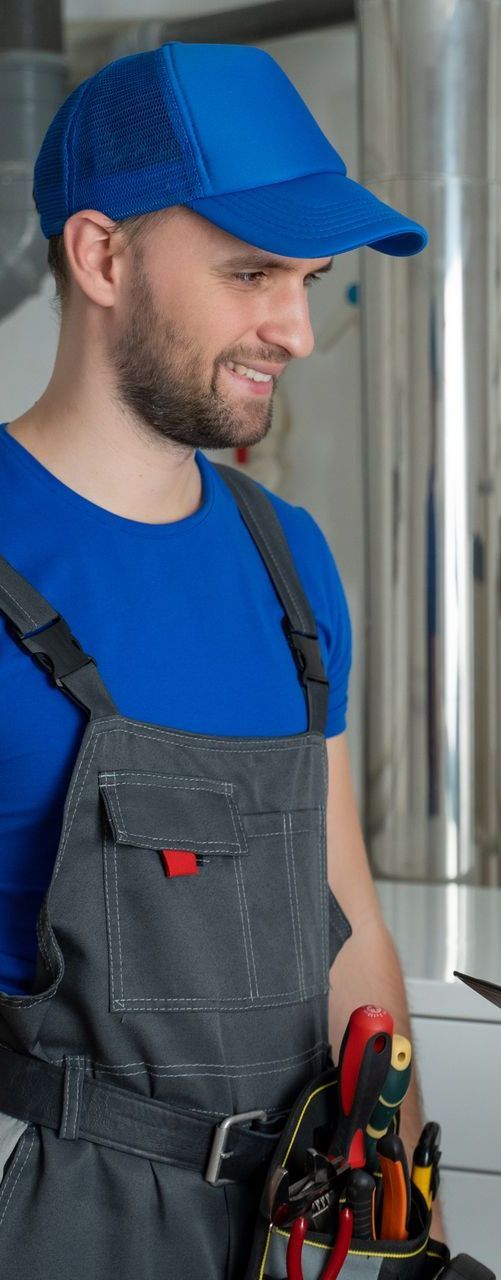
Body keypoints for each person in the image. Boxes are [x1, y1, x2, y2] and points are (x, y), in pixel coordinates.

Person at [0, 43, 434, 1275]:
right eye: (250, 272)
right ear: (101, 256)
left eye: (308, 277)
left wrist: (405, 1220)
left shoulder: (284, 554)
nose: (292, 328)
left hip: (293, 1227)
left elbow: (347, 927)